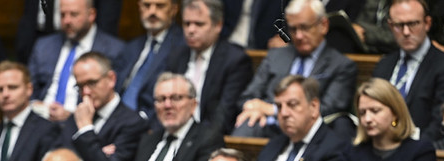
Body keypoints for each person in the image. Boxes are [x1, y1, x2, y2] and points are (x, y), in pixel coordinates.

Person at [233, 0, 357, 137]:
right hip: (267, 125)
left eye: (305, 28)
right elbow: (247, 97)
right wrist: (252, 108)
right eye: (293, 29)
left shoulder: (341, 65)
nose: (298, 36)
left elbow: (330, 110)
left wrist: (274, 110)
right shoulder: (275, 56)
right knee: (247, 122)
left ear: (323, 25)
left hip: (310, 132)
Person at [58, 51, 148, 161]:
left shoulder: (133, 123)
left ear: (111, 79)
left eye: (91, 83)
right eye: (80, 86)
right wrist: (91, 158)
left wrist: (86, 129)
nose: (85, 92)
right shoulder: (74, 118)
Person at [372, 0, 444, 141]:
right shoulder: (384, 65)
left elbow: (442, 124)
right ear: (390, 26)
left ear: (427, 23)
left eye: (412, 24)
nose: (406, 32)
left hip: (421, 151)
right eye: (399, 25)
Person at [28, 0, 123, 122]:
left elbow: (112, 99)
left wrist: (71, 115)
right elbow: (29, 89)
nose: (67, 21)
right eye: (62, 15)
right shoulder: (44, 46)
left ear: (91, 14)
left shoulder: (114, 50)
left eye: (74, 14)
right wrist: (38, 106)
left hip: (83, 122)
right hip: (41, 120)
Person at [165, 0, 251, 133]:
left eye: (199, 24)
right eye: (187, 24)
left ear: (218, 25)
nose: (191, 30)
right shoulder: (176, 56)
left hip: (207, 138)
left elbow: (223, 116)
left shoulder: (235, 60)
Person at [115, 0, 183, 121]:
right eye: (147, 5)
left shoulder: (182, 47)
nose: (152, 12)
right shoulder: (131, 47)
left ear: (173, 9)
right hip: (116, 120)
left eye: (160, 6)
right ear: (139, 7)